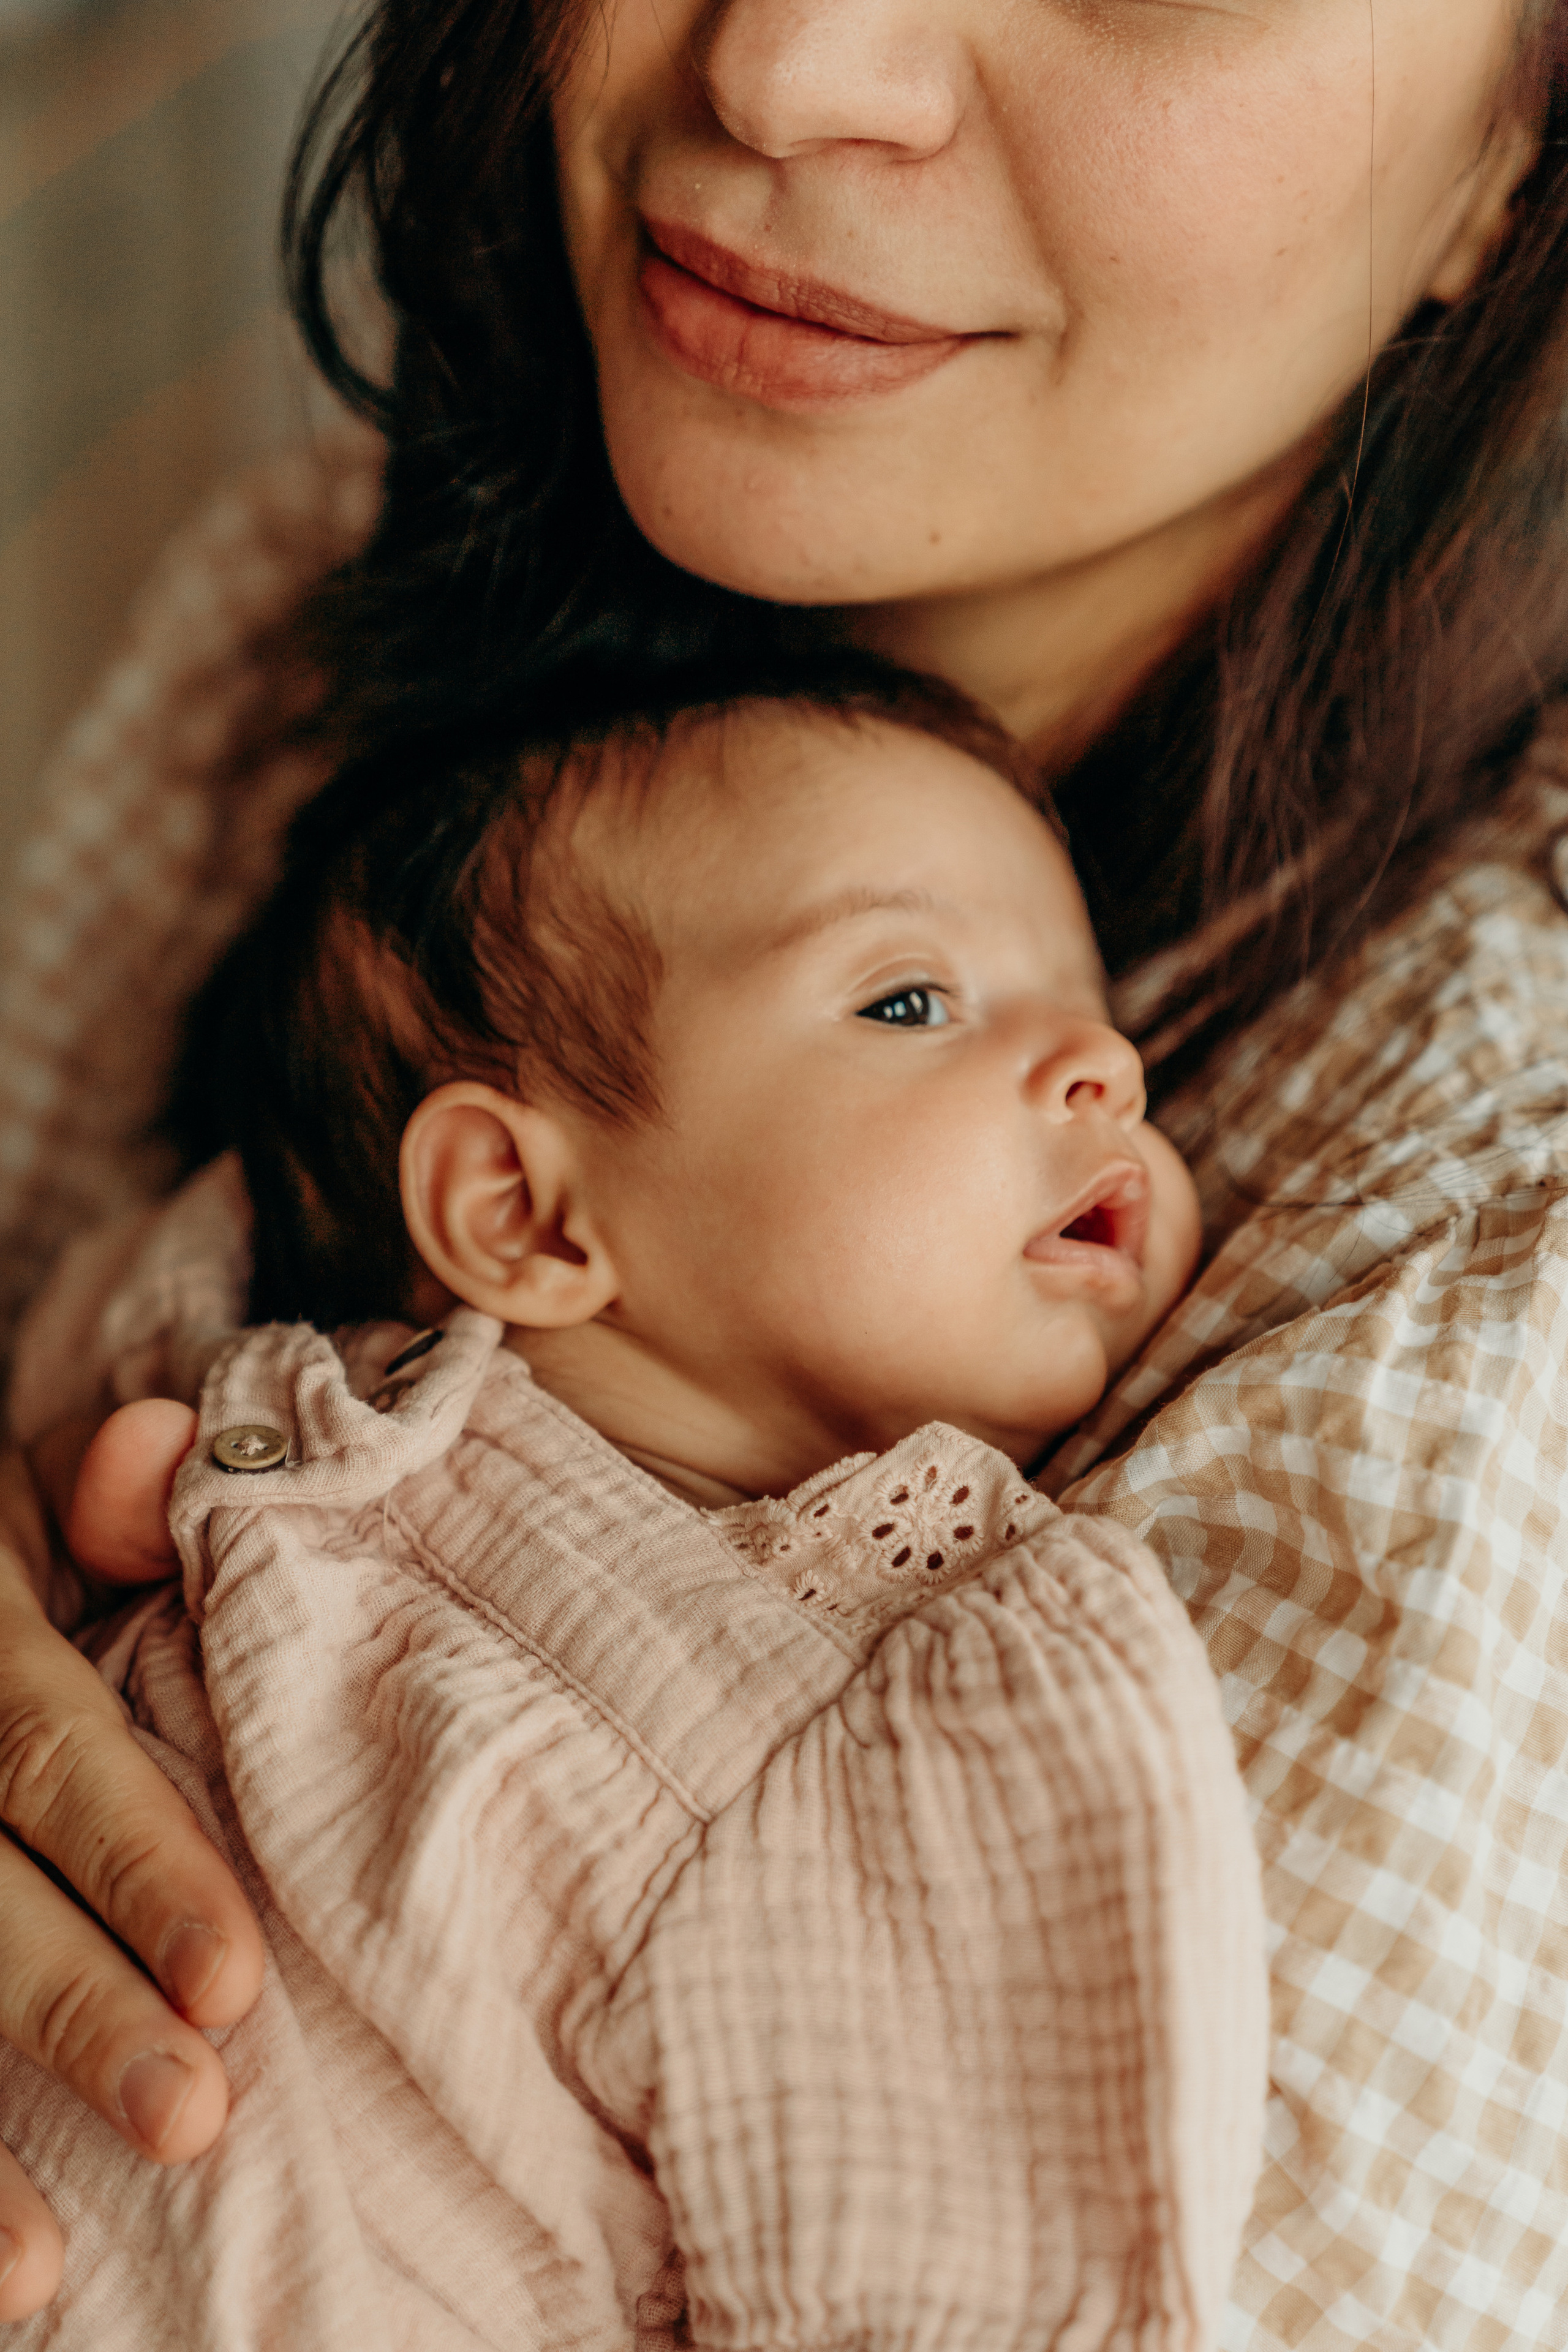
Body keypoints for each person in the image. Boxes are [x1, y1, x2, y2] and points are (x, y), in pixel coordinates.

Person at [1, 0, 1567, 2341]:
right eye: (911, 1001)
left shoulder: (1490, 1309)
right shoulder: (308, 620)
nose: (789, 64)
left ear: (1512, 160)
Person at [0, 671, 1265, 2349]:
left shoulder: (930, 1747)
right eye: (910, 1001)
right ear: (520, 1213)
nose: (1106, 1064)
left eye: (1096, 1013)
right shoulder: (224, 1340)